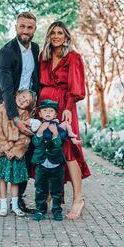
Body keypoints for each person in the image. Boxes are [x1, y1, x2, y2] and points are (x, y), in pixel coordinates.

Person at [0, 11, 39, 217]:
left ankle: (17, 200)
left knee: (23, 154)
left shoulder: (36, 49)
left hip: (25, 110)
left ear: (34, 29)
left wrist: (31, 113)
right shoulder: (6, 53)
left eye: (29, 27)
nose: (26, 31)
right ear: (16, 27)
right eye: (22, 26)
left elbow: (34, 82)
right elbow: (5, 89)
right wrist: (15, 119)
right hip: (2, 110)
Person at [38, 21, 91, 220]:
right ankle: (52, 196)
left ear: (66, 36)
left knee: (68, 148)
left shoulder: (73, 57)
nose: (56, 36)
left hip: (64, 107)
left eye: (60, 32)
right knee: (47, 148)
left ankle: (78, 198)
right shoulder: (43, 57)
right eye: (53, 32)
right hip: (44, 108)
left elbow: (76, 87)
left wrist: (68, 108)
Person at [0, 89, 36, 217]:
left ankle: (15, 206)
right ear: (17, 94)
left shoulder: (25, 116)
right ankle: (3, 206)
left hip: (16, 154)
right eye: (23, 96)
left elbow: (26, 137)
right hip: (4, 152)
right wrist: (5, 149)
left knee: (15, 180)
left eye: (27, 101)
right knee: (3, 179)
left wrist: (15, 150)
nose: (23, 100)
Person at [31, 100, 66, 221]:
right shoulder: (37, 127)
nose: (47, 113)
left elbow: (59, 144)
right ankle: (40, 210)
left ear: (55, 115)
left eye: (51, 111)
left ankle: (57, 210)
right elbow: (35, 143)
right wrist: (40, 131)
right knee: (40, 189)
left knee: (57, 189)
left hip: (56, 163)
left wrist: (55, 133)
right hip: (41, 164)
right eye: (45, 111)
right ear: (40, 113)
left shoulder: (59, 128)